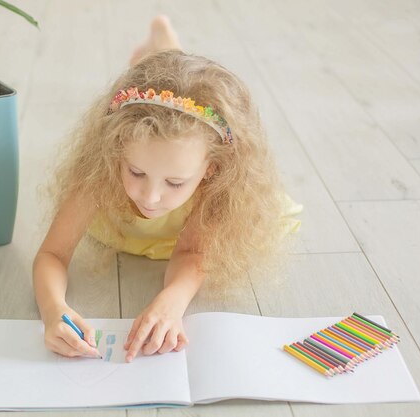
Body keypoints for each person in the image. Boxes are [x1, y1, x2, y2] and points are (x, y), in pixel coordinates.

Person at [33, 16, 301, 363]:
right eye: (136, 172)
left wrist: (171, 301)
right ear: (117, 150)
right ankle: (162, 45)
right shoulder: (102, 171)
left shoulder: (217, 182)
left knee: (179, 80)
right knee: (167, 76)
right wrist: (54, 311)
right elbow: (51, 254)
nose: (150, 197)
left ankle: (164, 41)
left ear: (210, 169)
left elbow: (192, 253)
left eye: (175, 183)